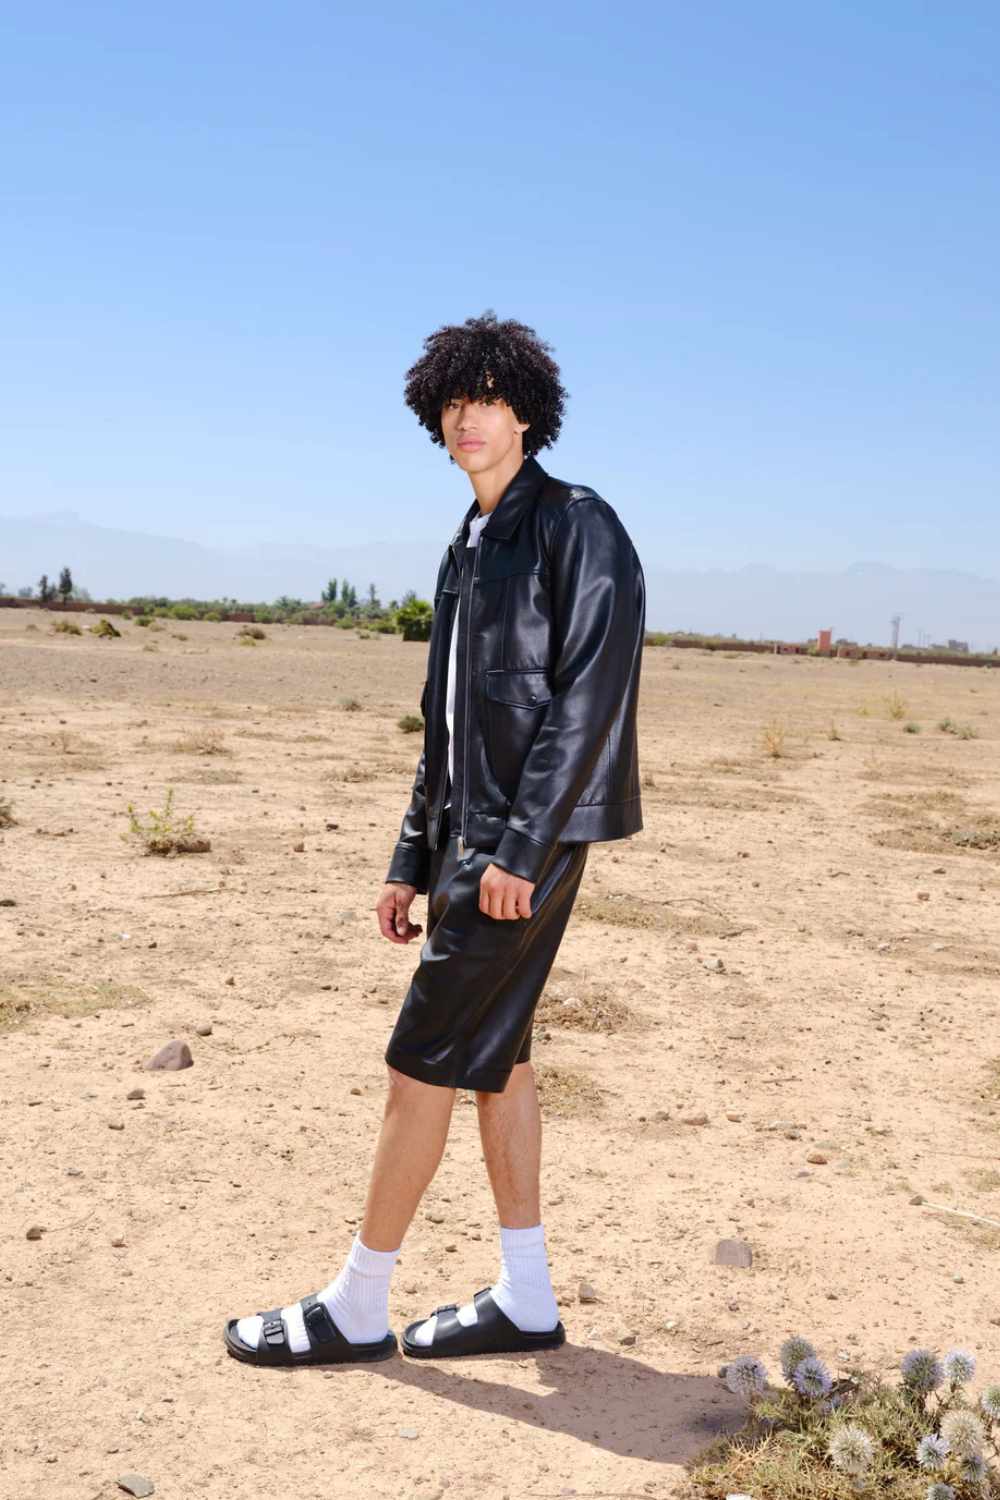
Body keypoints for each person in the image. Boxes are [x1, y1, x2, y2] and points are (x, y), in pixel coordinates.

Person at [224, 309, 646, 1367]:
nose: (471, 418)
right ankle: (527, 1298)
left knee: (419, 1061)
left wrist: (516, 850)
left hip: (521, 847)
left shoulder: (577, 526)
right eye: (456, 401)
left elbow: (587, 703)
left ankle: (358, 1304)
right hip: (469, 841)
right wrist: (409, 857)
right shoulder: (465, 544)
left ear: (528, 413)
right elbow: (446, 720)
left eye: (491, 399)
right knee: (497, 1064)